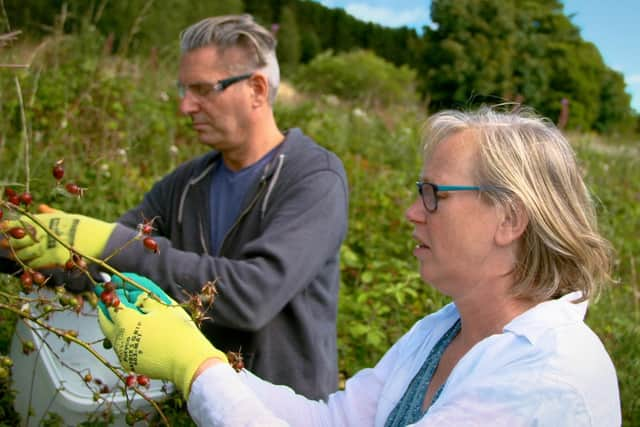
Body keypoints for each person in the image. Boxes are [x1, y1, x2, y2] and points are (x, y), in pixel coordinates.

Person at [96, 106, 620, 426]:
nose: (412, 212)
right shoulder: (441, 332)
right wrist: (190, 346)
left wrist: (195, 369)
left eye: (434, 194)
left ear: (510, 218)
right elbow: (332, 421)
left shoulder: (546, 378)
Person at [2, 14, 349, 400]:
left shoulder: (314, 179)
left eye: (202, 89)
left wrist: (105, 241)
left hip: (283, 409)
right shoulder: (185, 185)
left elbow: (254, 296)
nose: (185, 106)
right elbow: (111, 262)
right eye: (183, 89)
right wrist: (26, 245)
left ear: (256, 88)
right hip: (202, 395)